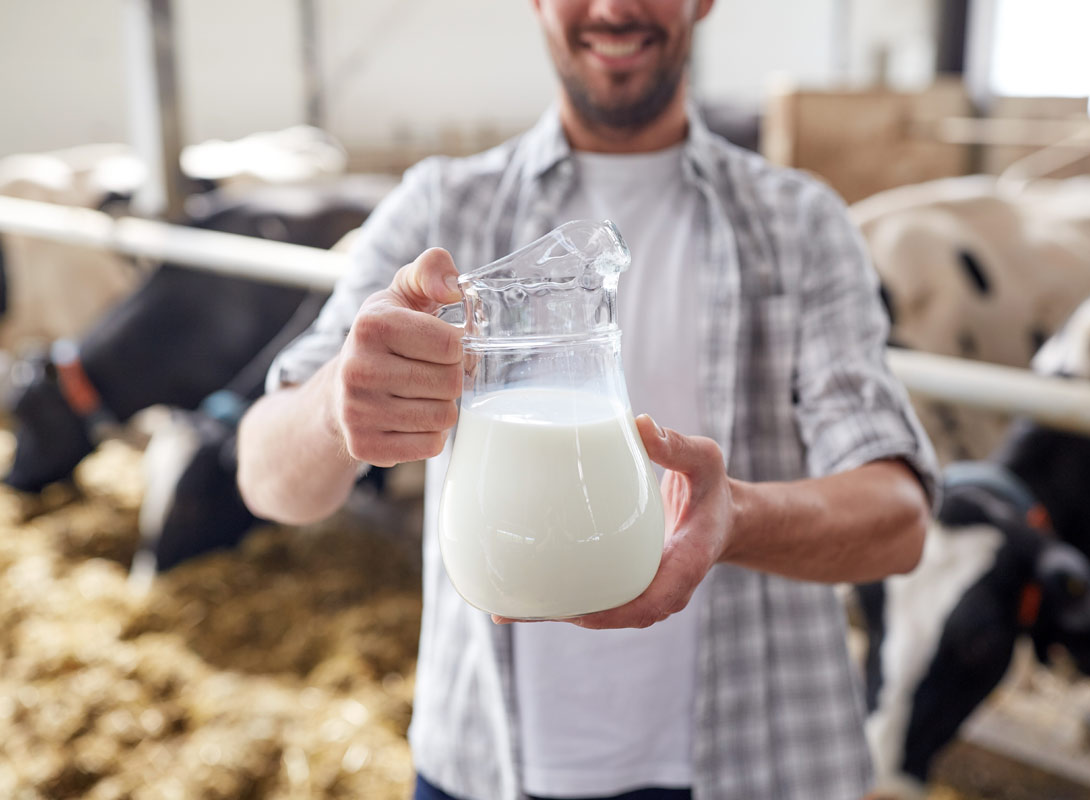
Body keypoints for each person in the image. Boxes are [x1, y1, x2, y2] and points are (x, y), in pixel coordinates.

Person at [237, 1, 939, 798]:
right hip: (483, 765)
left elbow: (899, 521)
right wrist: (336, 402)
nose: (612, 7)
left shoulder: (801, 224)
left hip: (762, 763)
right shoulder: (441, 208)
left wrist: (735, 518)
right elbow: (266, 477)